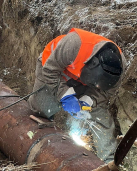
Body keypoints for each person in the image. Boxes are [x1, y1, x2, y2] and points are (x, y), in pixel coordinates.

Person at [28, 27, 126, 163]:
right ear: (91, 65)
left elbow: (105, 92)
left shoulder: (118, 68)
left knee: (97, 112)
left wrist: (89, 100)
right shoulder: (74, 44)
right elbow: (50, 71)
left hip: (84, 81)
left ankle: (109, 160)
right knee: (43, 108)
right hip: (54, 70)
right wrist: (65, 95)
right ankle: (45, 135)